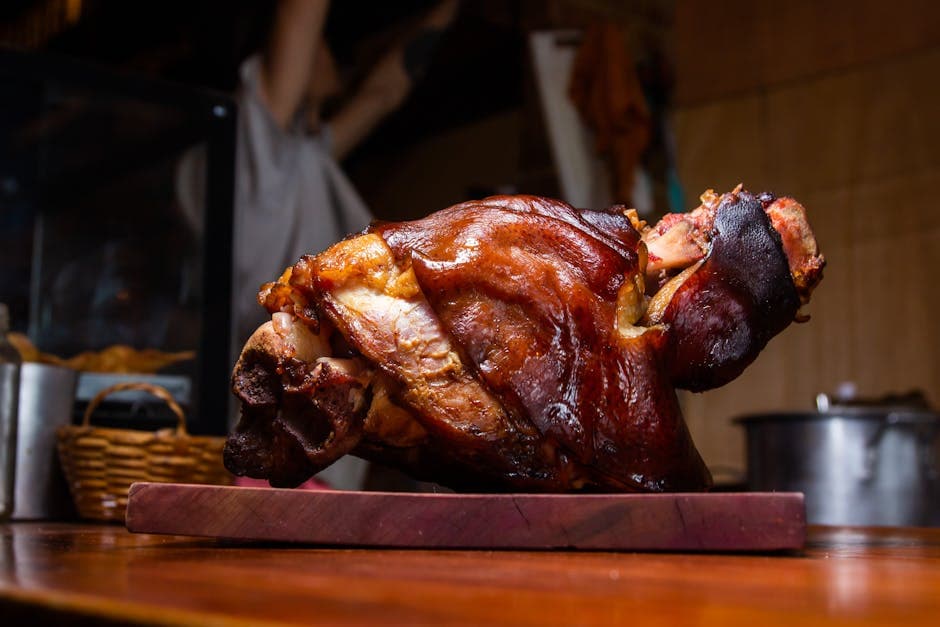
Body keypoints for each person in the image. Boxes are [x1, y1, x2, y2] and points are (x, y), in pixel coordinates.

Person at [178, 0, 458, 489]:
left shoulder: (303, 154)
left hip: (318, 447)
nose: (332, 56)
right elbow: (299, 13)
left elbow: (384, 93)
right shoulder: (254, 149)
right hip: (274, 450)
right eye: (323, 45)